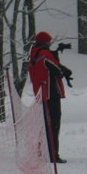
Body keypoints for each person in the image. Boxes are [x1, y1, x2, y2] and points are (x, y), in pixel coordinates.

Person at [27, 31, 71, 164]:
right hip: (51, 92)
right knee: (54, 124)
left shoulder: (34, 53)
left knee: (45, 124)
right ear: (45, 41)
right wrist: (64, 70)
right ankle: (53, 155)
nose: (50, 43)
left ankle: (42, 152)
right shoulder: (44, 53)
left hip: (41, 92)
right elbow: (56, 69)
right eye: (49, 41)